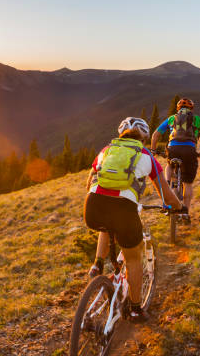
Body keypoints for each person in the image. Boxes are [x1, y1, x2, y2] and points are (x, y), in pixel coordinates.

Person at [84, 117, 184, 321]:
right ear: (144, 137)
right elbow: (166, 194)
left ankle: (97, 264)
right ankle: (136, 309)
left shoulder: (106, 150)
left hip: (92, 206)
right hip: (124, 209)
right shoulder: (145, 154)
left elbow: (90, 181)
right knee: (133, 258)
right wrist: (180, 208)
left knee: (107, 223)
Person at [150, 98, 200, 223]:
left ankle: (167, 183)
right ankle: (185, 214)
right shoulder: (197, 119)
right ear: (191, 109)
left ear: (178, 109)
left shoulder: (172, 118)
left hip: (173, 149)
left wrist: (153, 150)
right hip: (190, 150)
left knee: (169, 164)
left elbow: (155, 134)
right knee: (187, 183)